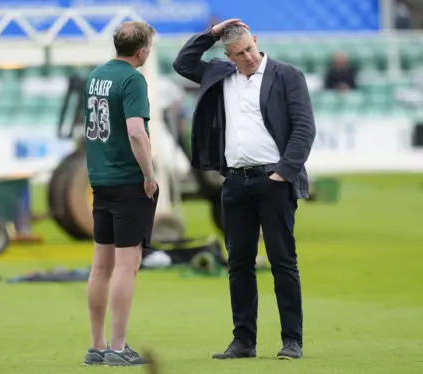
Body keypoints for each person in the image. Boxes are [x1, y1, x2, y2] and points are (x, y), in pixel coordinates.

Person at [173, 19, 316, 360]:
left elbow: (304, 128)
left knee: (283, 261)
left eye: (249, 49)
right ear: (228, 54)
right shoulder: (220, 74)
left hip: (274, 181)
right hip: (235, 182)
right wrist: (212, 32)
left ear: (256, 40)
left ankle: (291, 341)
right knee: (238, 263)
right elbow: (183, 63)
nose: (248, 57)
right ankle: (244, 342)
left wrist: (283, 173)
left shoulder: (286, 75)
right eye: (239, 53)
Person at [81, 21, 158, 367]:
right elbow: (136, 132)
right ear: (141, 51)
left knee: (100, 266)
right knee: (127, 267)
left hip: (100, 180)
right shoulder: (133, 79)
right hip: (128, 180)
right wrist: (149, 175)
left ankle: (97, 346)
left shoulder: (96, 75)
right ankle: (118, 346)